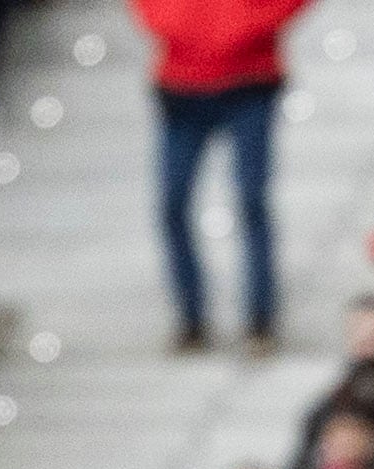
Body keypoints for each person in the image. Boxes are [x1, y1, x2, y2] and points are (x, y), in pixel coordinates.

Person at [129, 0, 315, 353]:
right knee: (173, 203)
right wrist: (179, 24)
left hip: (249, 77)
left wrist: (245, 24)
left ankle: (259, 317)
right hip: (182, 82)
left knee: (251, 202)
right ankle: (191, 317)